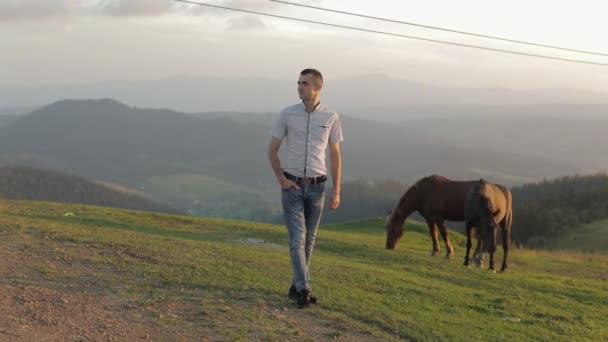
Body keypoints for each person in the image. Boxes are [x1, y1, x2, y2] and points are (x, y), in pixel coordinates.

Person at [267, 68, 344, 308]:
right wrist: (281, 179)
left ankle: (296, 285)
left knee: (309, 239)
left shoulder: (331, 116)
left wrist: (337, 189)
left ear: (317, 87)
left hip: (318, 187)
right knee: (296, 239)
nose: (299, 87)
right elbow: (272, 150)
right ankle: (303, 288)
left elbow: (335, 155)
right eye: (298, 83)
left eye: (305, 83)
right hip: (292, 185)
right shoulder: (287, 114)